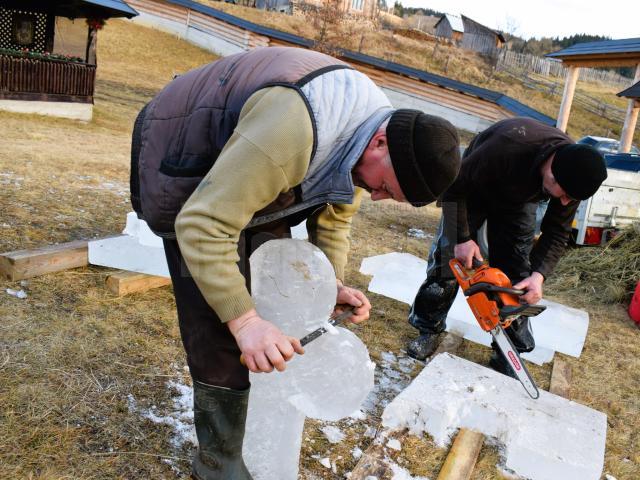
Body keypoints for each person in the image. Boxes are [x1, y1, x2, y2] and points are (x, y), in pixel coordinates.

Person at [130, 46, 461, 480]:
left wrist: (331, 285)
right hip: (182, 150)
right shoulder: (294, 129)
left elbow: (336, 215)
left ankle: (253, 423)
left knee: (278, 285)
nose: (375, 196)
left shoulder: (375, 135)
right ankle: (218, 461)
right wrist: (245, 322)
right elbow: (203, 225)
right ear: (381, 142)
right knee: (217, 316)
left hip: (256, 165)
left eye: (387, 197)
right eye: (384, 187)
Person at [406, 117, 607, 372]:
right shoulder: (507, 146)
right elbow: (453, 190)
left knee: (516, 271)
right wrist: (462, 239)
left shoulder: (575, 173)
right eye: (565, 195)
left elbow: (557, 231)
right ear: (552, 173)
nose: (566, 203)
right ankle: (427, 328)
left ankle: (509, 348)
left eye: (572, 198)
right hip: (473, 188)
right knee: (449, 261)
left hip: (519, 200)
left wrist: (539, 276)